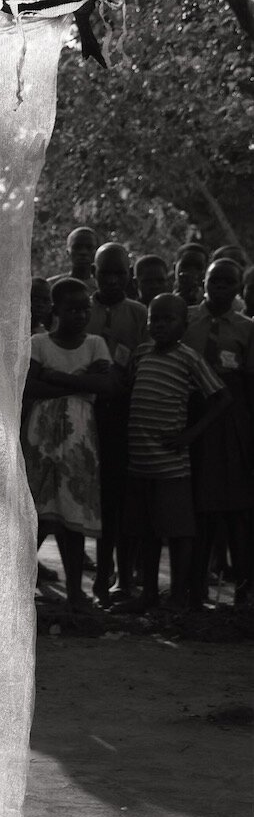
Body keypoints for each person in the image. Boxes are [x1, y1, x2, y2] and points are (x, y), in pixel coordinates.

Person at [125, 293, 228, 612]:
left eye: (167, 319)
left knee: (179, 533)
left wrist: (190, 435)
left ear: (184, 325)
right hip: (139, 463)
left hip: (172, 465)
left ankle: (179, 596)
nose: (159, 325)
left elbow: (222, 399)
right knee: (147, 533)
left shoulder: (189, 358)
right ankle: (150, 594)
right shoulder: (140, 354)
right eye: (154, 319)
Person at [23, 278, 117, 617]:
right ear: (56, 310)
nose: (80, 315)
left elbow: (106, 385)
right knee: (39, 516)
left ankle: (76, 591)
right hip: (42, 440)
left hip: (80, 443)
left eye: (84, 309)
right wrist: (78, 385)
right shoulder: (39, 344)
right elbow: (28, 386)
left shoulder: (95, 344)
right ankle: (17, 587)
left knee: (72, 517)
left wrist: (59, 379)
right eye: (72, 309)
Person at [182, 258, 254, 605]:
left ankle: (243, 587)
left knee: (236, 506)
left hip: (232, 422)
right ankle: (195, 586)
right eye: (214, 281)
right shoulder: (187, 318)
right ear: (204, 283)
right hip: (195, 418)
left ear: (238, 289)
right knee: (200, 505)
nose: (220, 288)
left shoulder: (246, 328)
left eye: (228, 282)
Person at [87, 242, 148, 602]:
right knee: (94, 497)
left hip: (127, 415)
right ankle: (99, 575)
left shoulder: (140, 314)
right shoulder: (82, 308)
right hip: (87, 414)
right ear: (94, 273)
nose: (112, 280)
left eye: (119, 273)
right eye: (104, 273)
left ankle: (122, 578)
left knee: (121, 500)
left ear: (130, 275)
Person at [174, 244, 208, 311]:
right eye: (185, 266)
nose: (192, 272)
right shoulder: (163, 299)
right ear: (174, 268)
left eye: (198, 267)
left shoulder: (210, 302)